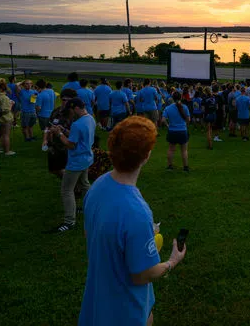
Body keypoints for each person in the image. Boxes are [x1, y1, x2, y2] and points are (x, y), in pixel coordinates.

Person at [78, 116, 186, 326]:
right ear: (146, 156)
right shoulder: (137, 211)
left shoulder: (98, 185)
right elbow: (142, 274)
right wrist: (173, 261)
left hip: (99, 298)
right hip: (124, 308)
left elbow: (91, 234)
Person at [48, 97, 95, 233]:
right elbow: (79, 137)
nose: (71, 114)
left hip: (76, 162)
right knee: (85, 184)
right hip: (87, 158)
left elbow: (70, 144)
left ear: (75, 108)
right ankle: (88, 208)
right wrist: (64, 130)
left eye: (71, 110)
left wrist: (59, 133)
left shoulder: (77, 124)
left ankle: (69, 221)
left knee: (67, 190)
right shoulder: (90, 118)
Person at [43, 89, 78, 177]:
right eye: (64, 100)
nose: (66, 102)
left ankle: (73, 186)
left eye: (69, 100)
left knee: (67, 170)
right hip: (54, 146)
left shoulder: (75, 115)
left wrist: (62, 131)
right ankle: (70, 183)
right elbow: (48, 126)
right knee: (54, 170)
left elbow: (77, 135)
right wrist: (45, 140)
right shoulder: (56, 111)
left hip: (68, 147)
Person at [162, 91, 190, 172]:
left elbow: (163, 120)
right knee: (184, 150)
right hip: (182, 131)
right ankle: (185, 167)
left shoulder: (168, 108)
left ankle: (170, 166)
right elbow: (188, 119)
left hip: (172, 131)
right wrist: (185, 125)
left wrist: (168, 126)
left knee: (171, 149)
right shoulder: (185, 107)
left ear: (172, 98)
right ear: (181, 97)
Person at [0, 80, 15, 156]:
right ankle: (7, 151)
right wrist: (11, 104)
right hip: (5, 119)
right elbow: (6, 110)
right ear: (2, 90)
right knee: (6, 135)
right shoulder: (4, 97)